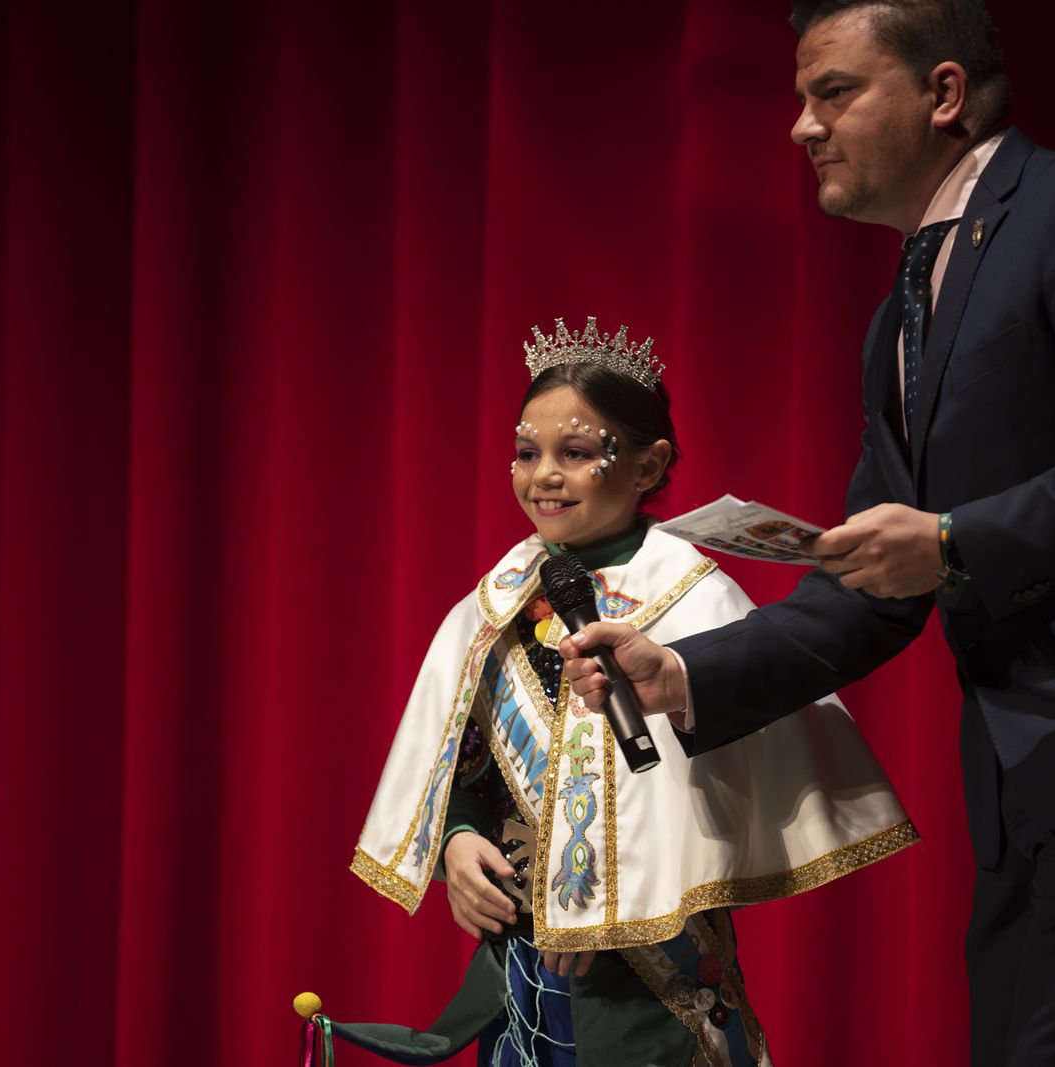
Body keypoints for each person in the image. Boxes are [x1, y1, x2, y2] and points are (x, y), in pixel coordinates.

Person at [559, 3, 1055, 1064]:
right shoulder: (899, 316)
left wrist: (953, 538)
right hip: (1031, 773)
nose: (801, 126)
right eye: (802, 98)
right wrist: (684, 670)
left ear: (941, 93)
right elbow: (868, 585)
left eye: (832, 92)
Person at [343, 317, 916, 1067]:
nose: (544, 475)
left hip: (660, 969)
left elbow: (741, 782)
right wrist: (456, 842)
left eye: (577, 453)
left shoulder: (699, 605)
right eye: (527, 453)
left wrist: (616, 901)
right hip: (522, 963)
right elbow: (464, 769)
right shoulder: (490, 610)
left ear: (648, 466)